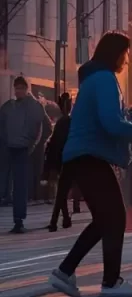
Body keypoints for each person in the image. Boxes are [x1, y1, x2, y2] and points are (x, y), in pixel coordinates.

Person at [48, 32, 132, 297]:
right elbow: (111, 122)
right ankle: (111, 282)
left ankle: (65, 272)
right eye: (125, 53)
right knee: (115, 216)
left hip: (82, 156)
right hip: (90, 156)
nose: (127, 60)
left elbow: (108, 119)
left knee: (104, 219)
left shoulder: (93, 79)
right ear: (116, 53)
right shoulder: (104, 80)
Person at [0, 76, 49, 233]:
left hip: (22, 150)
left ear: (26, 89)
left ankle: (18, 220)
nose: (18, 91)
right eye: (16, 88)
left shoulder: (34, 107)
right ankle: (16, 217)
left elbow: (45, 127)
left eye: (21, 88)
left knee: (20, 185)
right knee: (7, 182)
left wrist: (33, 145)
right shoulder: (8, 107)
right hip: (9, 148)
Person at [46, 93, 74, 231]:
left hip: (62, 159)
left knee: (61, 192)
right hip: (70, 158)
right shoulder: (70, 122)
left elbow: (55, 144)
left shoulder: (62, 123)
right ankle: (63, 219)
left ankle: (56, 221)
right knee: (62, 192)